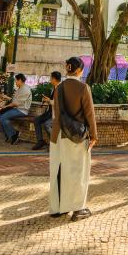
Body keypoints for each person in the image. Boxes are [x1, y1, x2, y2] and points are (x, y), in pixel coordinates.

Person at [49, 56, 97, 221]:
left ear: (68, 69)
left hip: (57, 134)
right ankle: (78, 208)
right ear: (80, 70)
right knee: (77, 172)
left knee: (58, 170)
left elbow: (57, 112)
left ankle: (57, 208)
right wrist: (94, 135)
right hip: (75, 135)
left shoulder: (59, 87)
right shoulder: (83, 87)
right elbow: (89, 113)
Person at [0, 74, 31, 145]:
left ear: (20, 80)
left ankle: (14, 135)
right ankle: (8, 133)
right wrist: (6, 97)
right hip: (16, 108)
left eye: (16, 81)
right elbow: (15, 100)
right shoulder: (20, 88)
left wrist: (6, 106)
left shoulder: (25, 90)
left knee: (3, 118)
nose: (15, 82)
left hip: (22, 110)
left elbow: (16, 103)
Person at [32, 71, 62, 151]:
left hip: (58, 114)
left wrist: (49, 100)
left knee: (47, 124)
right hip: (50, 112)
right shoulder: (54, 88)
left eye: (51, 78)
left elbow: (60, 103)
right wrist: (47, 100)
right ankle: (40, 141)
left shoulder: (61, 89)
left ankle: (54, 143)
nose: (50, 79)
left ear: (54, 79)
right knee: (36, 120)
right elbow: (53, 101)